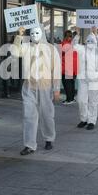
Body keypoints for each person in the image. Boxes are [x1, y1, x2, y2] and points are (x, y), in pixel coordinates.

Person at [13, 26, 61, 155]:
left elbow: (56, 70)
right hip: (29, 86)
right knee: (28, 115)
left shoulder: (51, 49)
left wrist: (56, 89)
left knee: (47, 114)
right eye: (32, 33)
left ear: (42, 33)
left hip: (45, 87)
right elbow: (15, 52)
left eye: (37, 32)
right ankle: (29, 144)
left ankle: (49, 138)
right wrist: (19, 36)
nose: (34, 35)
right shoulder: (26, 47)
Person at [73, 27, 98, 130]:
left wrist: (96, 34)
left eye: (92, 41)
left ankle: (92, 121)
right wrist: (77, 34)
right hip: (83, 79)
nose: (90, 43)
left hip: (95, 79)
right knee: (81, 100)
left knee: (93, 101)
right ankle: (84, 119)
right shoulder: (83, 50)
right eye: (88, 41)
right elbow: (74, 45)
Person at [60, 30, 78, 105]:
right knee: (72, 83)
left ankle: (68, 99)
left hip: (66, 68)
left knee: (67, 84)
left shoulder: (64, 44)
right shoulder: (74, 45)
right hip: (74, 68)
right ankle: (72, 98)